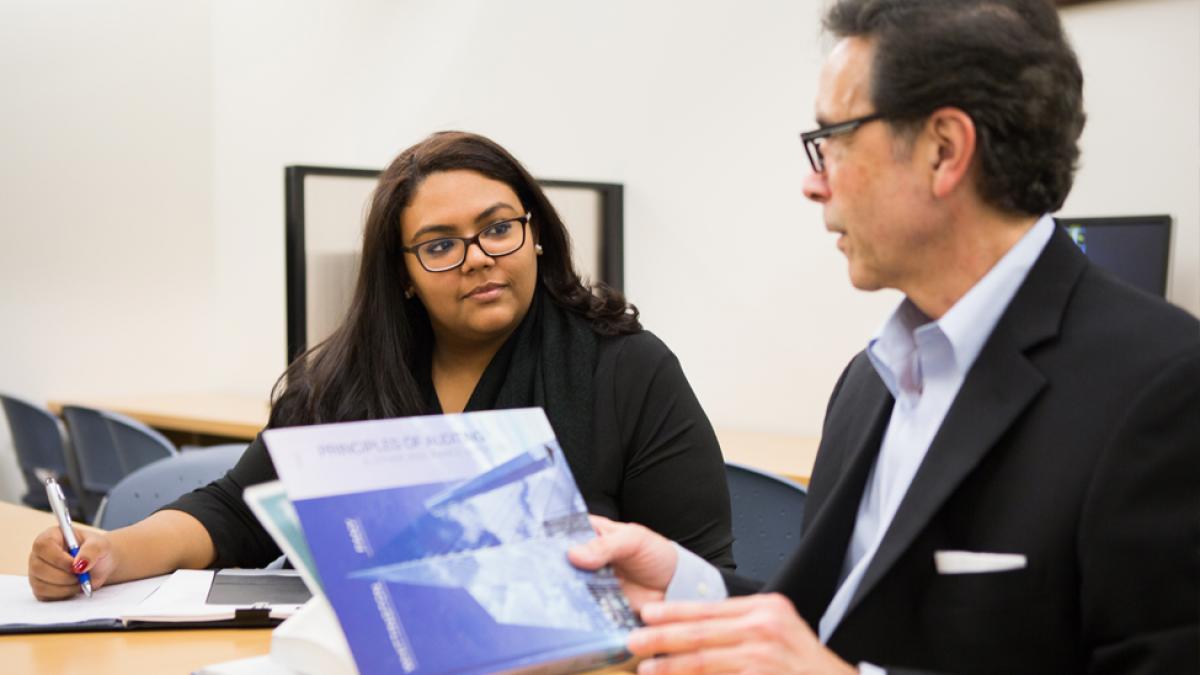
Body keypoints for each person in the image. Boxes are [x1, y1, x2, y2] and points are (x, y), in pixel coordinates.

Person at [569, 1, 1200, 672]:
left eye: (833, 140)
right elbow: (837, 624)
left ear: (944, 150)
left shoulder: (1163, 388)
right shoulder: (871, 380)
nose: (813, 183)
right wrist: (680, 583)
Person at [28, 131, 734, 600]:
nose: (479, 257)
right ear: (402, 273)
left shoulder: (625, 370)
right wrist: (113, 551)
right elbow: (236, 511)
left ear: (537, 234)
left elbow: (703, 575)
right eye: (439, 244)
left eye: (497, 228)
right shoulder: (344, 380)